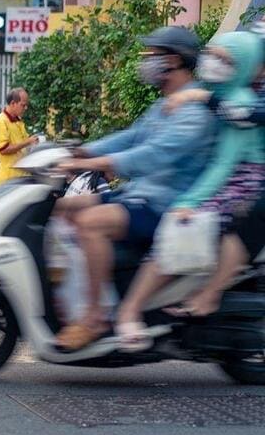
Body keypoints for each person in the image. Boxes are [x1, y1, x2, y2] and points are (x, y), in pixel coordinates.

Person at [52, 26, 217, 350]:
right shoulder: (165, 105)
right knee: (62, 207)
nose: (147, 62)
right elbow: (132, 136)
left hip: (165, 205)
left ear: (172, 61)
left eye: (153, 55)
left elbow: (152, 155)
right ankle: (74, 291)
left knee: (90, 223)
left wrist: (96, 164)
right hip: (139, 194)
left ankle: (95, 316)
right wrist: (82, 151)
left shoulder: (195, 114)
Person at [115, 31, 265, 348]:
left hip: (242, 179)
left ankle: (134, 310)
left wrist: (190, 201)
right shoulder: (219, 91)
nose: (213, 62)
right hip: (224, 176)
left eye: (226, 60)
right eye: (213, 54)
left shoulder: (238, 101)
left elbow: (225, 163)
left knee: (181, 227)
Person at [0, 88, 39, 186]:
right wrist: (28, 142)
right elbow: (4, 149)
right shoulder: (0, 121)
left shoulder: (18, 121)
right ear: (13, 103)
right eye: (23, 105)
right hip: (8, 177)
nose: (25, 108)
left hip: (21, 174)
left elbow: (24, 145)